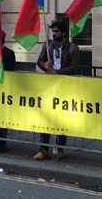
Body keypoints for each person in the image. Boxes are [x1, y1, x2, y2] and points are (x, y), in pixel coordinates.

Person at [33, 20, 80, 160]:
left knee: (62, 117)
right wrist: (45, 66)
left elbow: (74, 67)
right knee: (45, 117)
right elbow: (39, 61)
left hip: (64, 86)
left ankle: (60, 147)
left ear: (64, 33)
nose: (54, 34)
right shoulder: (48, 45)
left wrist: (57, 72)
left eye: (57, 31)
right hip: (48, 86)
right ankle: (43, 148)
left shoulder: (73, 48)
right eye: (53, 31)